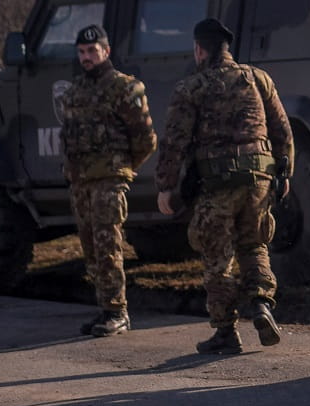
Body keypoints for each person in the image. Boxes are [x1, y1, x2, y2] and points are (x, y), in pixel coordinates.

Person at [156, 17, 294, 354]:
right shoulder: (259, 79)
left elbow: (174, 141)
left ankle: (225, 331)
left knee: (218, 257)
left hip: (216, 183)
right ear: (226, 49)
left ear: (199, 50)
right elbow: (281, 130)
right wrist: (284, 172)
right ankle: (262, 303)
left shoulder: (191, 88)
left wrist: (166, 186)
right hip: (259, 179)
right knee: (254, 245)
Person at [59, 24, 155, 338]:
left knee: (108, 245)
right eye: (82, 52)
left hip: (109, 180)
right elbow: (69, 138)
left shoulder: (124, 88)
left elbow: (145, 138)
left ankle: (117, 311)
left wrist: (122, 169)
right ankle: (105, 307)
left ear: (106, 50)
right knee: (90, 247)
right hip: (81, 181)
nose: (87, 57)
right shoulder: (73, 92)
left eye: (92, 51)